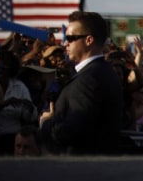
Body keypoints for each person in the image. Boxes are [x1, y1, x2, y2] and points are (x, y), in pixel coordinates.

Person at [39, 10, 124, 154]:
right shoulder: (104, 71)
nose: (65, 43)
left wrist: (47, 122)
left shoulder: (88, 79)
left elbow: (71, 132)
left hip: (83, 168)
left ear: (89, 40)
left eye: (71, 38)